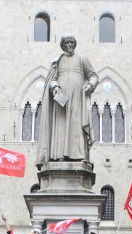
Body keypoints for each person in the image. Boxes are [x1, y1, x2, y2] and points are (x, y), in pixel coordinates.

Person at [36, 34, 98, 168]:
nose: (69, 45)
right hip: (61, 101)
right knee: (61, 126)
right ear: (63, 45)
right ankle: (58, 156)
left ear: (74, 44)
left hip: (77, 99)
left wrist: (90, 85)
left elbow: (93, 75)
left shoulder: (82, 59)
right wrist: (55, 86)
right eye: (67, 43)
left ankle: (80, 156)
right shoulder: (58, 61)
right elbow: (52, 79)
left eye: (71, 42)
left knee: (77, 125)